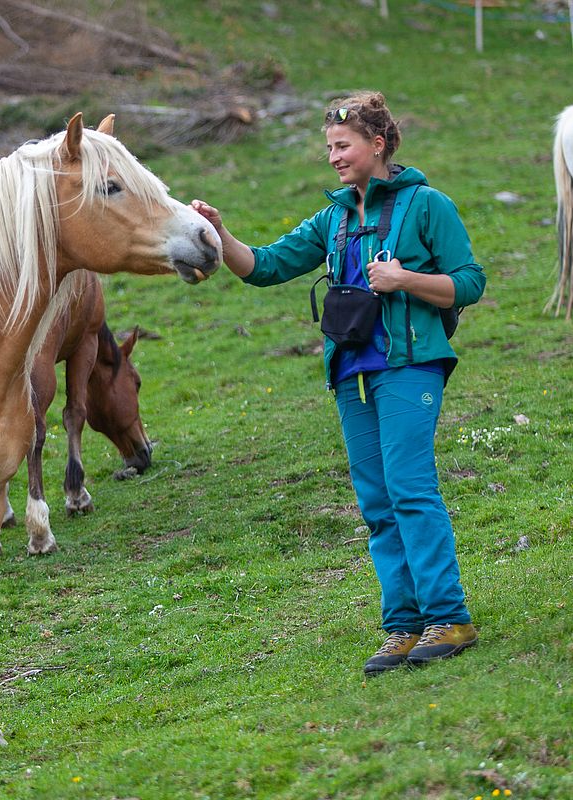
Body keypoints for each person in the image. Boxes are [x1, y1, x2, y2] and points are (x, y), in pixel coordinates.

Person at [190, 91, 486, 676]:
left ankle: (449, 617)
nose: (333, 157)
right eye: (328, 147)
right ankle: (403, 626)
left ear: (378, 144)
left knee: (409, 487)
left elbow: (470, 281)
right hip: (351, 374)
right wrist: (219, 232)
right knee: (377, 501)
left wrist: (404, 279)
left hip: (410, 365)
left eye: (343, 145)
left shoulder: (427, 206)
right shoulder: (333, 218)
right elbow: (265, 267)